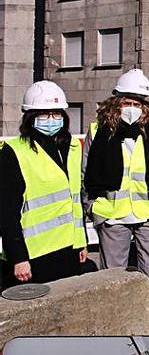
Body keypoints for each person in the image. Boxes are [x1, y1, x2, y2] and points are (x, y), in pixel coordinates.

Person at [82, 69, 149, 334]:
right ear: (116, 103)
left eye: (137, 103)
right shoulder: (98, 130)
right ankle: (116, 334)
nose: (131, 108)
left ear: (145, 106)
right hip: (112, 215)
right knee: (112, 281)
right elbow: (85, 173)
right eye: (127, 102)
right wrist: (91, 208)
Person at [0, 81, 87, 286]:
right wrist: (18, 258)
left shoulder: (72, 147)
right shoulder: (15, 152)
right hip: (33, 255)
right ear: (31, 118)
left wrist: (80, 242)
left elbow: (75, 201)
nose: (51, 119)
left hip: (67, 249)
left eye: (56, 113)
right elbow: (6, 212)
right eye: (44, 114)